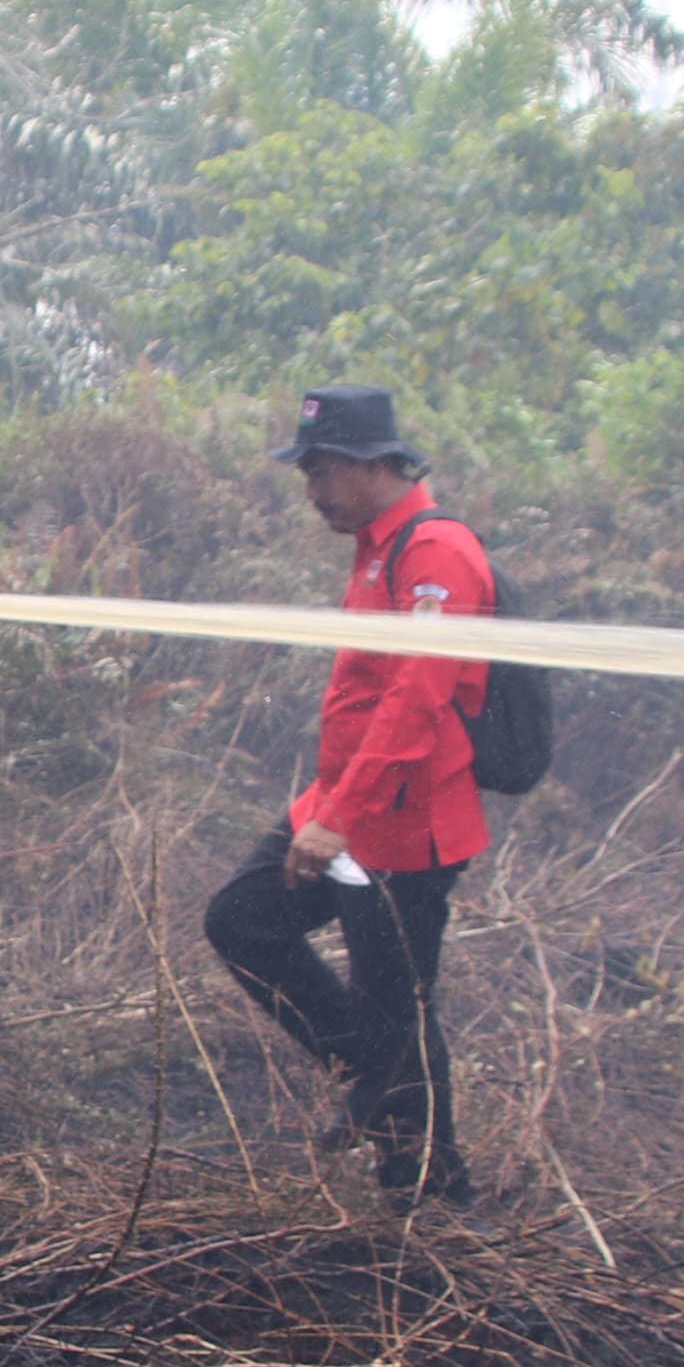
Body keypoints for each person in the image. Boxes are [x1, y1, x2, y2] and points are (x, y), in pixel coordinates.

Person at [201, 384, 499, 1202]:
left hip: (404, 827)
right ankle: (380, 1079)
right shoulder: (378, 545)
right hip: (347, 809)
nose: (312, 492)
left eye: (322, 472)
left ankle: (430, 1189)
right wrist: (330, 811)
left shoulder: (433, 551)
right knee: (243, 919)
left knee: (395, 1002)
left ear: (372, 465)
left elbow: (416, 698)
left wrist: (337, 820)